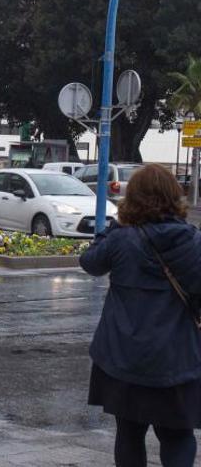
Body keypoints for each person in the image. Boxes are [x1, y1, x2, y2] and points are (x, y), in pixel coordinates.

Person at [81, 164, 201, 467]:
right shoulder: (193, 242)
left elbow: (90, 263)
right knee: (177, 435)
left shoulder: (122, 239)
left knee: (130, 433)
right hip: (177, 359)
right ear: (176, 196)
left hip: (124, 356)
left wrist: (112, 228)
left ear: (131, 198)